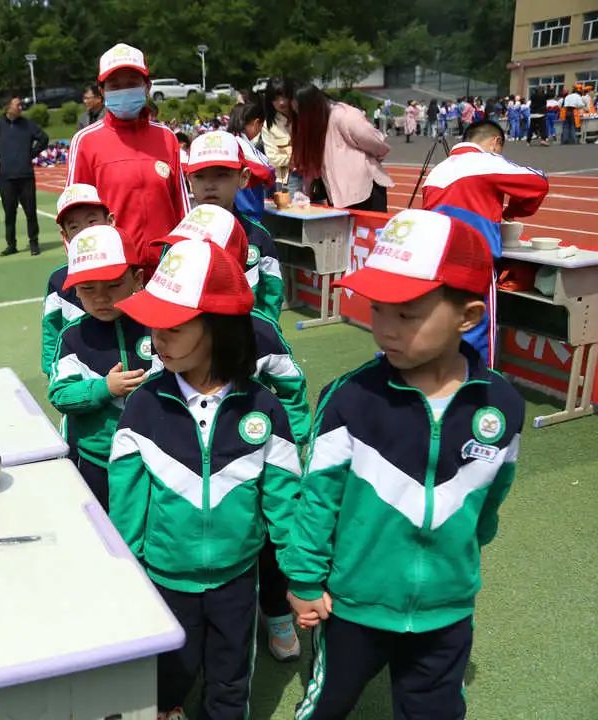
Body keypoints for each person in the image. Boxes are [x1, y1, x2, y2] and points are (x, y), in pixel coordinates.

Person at [283, 209, 523, 719]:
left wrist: (455, 560)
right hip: (353, 608)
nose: (383, 328)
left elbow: (492, 499)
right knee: (326, 704)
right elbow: (316, 499)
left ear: (469, 317)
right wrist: (304, 581)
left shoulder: (500, 407)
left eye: (407, 313)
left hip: (447, 608)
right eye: (377, 308)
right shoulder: (350, 398)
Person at [109, 237, 300, 719]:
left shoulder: (263, 408)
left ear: (218, 326)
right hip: (166, 577)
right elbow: (126, 501)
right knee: (170, 670)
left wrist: (301, 576)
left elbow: (283, 502)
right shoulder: (143, 406)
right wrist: (125, 573)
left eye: (171, 327)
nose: (155, 341)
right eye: (153, 327)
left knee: (230, 678)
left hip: (238, 577)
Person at [48, 224, 158, 511]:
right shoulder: (73, 337)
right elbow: (60, 394)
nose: (100, 297)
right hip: (97, 460)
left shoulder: (158, 326)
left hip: (155, 456)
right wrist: (104, 388)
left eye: (113, 285)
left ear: (137, 279)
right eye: (87, 288)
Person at [421, 120, 549, 366]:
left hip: (434, 259)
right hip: (473, 259)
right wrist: (514, 210)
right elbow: (538, 182)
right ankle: (479, 390)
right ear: (495, 142)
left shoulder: (438, 170)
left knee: (443, 325)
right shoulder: (487, 161)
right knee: (477, 330)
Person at [67, 43, 189, 265]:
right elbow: (71, 215)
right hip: (114, 274)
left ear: (147, 86)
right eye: (115, 85)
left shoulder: (167, 137)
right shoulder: (85, 142)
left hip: (167, 270)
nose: (124, 90)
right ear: (102, 91)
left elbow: (181, 207)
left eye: (132, 83)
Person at [184, 131, 284, 320]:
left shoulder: (258, 236)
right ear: (189, 181)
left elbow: (271, 293)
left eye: (221, 175)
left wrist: (263, 333)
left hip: (247, 340)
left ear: (244, 177)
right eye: (199, 176)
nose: (210, 185)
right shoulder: (179, 237)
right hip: (193, 343)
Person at [40, 184, 111, 374]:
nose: (85, 231)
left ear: (110, 221)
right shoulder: (58, 280)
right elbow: (51, 332)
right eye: (74, 226)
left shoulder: (129, 272)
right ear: (65, 235)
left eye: (92, 221)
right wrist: (52, 372)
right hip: (81, 384)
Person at [291, 84, 393, 212]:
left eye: (301, 112)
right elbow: (311, 163)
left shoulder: (343, 116)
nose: (299, 116)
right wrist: (305, 192)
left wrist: (379, 154)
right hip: (337, 191)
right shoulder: (313, 126)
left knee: (367, 230)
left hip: (363, 190)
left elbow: (372, 140)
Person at [0, 95, 49, 256]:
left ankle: (33, 242)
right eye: (17, 105)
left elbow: (44, 138)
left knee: (30, 211)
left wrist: (30, 154)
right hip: (6, 177)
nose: (21, 107)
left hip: (25, 175)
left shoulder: (27, 125)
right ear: (8, 107)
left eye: (21, 105)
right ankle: (11, 244)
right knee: (9, 213)